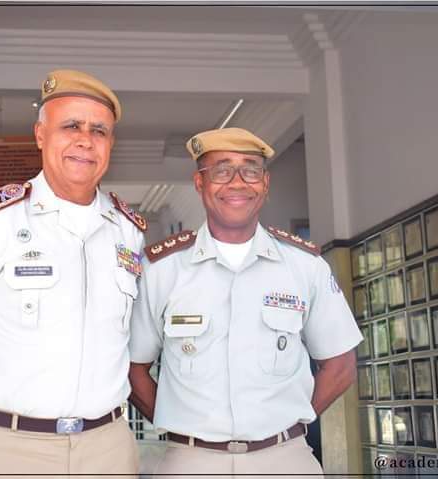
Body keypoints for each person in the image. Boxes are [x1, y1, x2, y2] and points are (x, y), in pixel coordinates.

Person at [0, 69, 146, 476]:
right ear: (41, 135)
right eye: (71, 126)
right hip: (13, 445)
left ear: (111, 144)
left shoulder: (127, 231)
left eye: (99, 130)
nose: (85, 140)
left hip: (108, 446)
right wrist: (2, 387)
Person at [128, 127, 363, 477]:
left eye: (250, 170)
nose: (237, 182)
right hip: (191, 462)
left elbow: (341, 365)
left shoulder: (305, 266)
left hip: (285, 460)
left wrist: (290, 423)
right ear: (200, 182)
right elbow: (133, 368)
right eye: (221, 170)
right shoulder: (162, 269)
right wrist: (179, 422)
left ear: (265, 183)